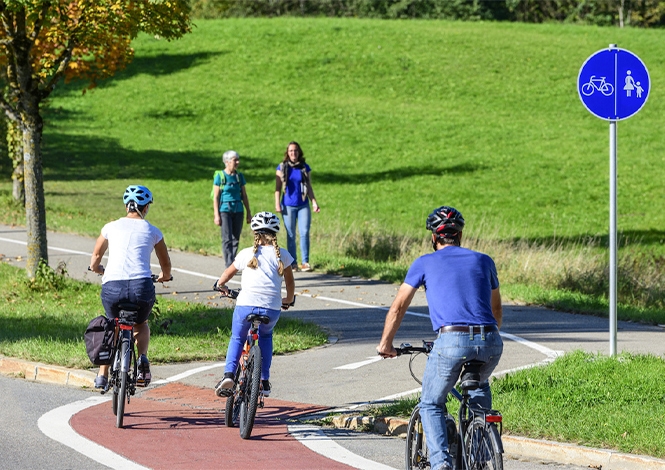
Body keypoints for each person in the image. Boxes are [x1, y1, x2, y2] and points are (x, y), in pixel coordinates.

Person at [377, 206, 503, 470]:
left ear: (434, 237)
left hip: (451, 340)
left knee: (431, 403)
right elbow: (496, 310)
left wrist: (386, 344)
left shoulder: (423, 263)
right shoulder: (484, 260)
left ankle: (441, 464)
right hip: (491, 341)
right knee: (478, 388)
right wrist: (485, 340)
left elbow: (398, 306)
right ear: (460, 235)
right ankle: (479, 458)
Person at [89, 185, 172, 390]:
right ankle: (142, 359)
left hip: (112, 287)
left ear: (127, 206)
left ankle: (102, 374)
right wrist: (164, 277)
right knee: (141, 323)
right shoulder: (153, 231)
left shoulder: (110, 227)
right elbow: (165, 264)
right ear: (145, 209)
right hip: (141, 288)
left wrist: (98, 268)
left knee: (112, 324)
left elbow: (96, 257)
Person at [214, 211, 295, 398]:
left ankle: (228, 376)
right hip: (272, 308)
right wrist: (288, 299)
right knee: (266, 336)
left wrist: (220, 285)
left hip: (245, 306)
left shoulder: (246, 253)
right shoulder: (283, 255)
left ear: (255, 233)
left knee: (237, 337)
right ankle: (264, 381)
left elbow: (228, 272)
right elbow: (290, 283)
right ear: (275, 234)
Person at [274, 141, 320, 272]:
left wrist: (314, 202)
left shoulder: (304, 167)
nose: (293, 153)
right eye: (291, 151)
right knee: (291, 234)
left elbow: (309, 186)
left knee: (304, 232)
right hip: (288, 205)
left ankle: (305, 262)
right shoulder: (282, 167)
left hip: (303, 204)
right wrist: (277, 203)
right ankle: (292, 263)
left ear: (299, 152)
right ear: (287, 153)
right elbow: (277, 188)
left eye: (295, 151)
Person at [213, 150, 252, 268]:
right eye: (235, 160)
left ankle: (232, 261)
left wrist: (249, 213)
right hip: (225, 210)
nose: (237, 162)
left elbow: (244, 195)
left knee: (236, 237)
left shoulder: (239, 177)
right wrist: (216, 214)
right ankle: (229, 263)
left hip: (238, 209)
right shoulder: (220, 176)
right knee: (227, 238)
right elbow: (216, 197)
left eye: (237, 160)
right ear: (227, 161)